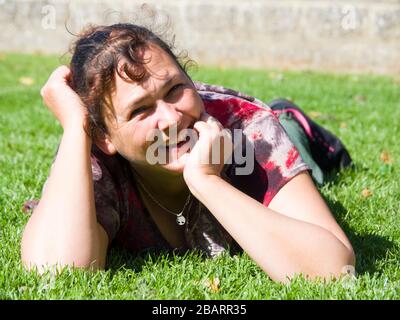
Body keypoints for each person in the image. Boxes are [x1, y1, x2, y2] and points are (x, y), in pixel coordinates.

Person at [21, 23, 355, 283]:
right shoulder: (90, 154)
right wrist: (75, 127)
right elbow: (56, 275)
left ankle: (291, 121)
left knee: (302, 154)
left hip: (267, 132)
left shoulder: (245, 127)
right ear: (103, 136)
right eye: (140, 110)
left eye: (175, 89)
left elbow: (332, 270)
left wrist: (206, 181)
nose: (170, 119)